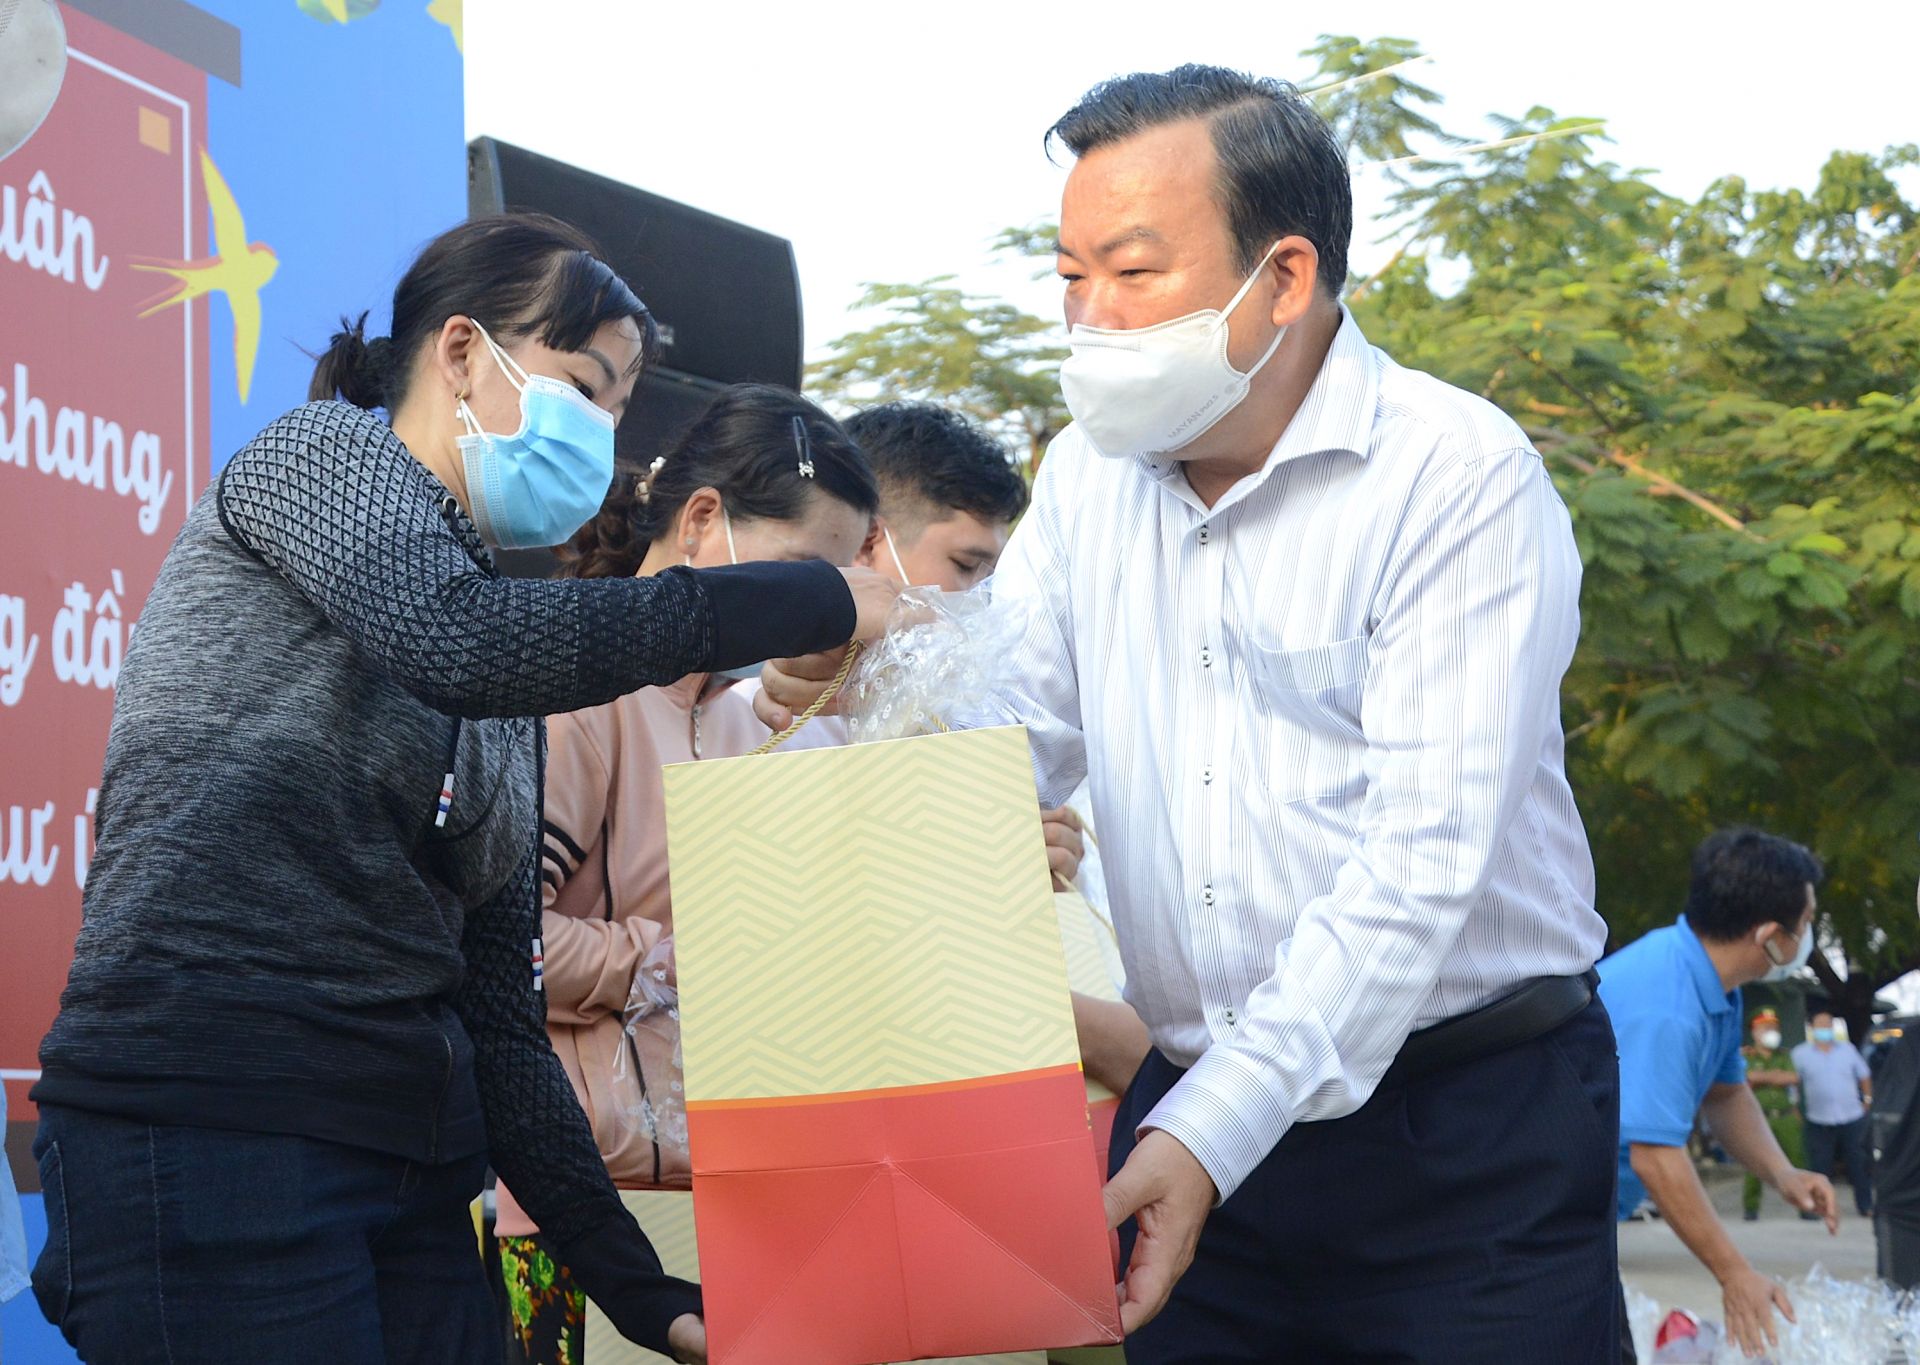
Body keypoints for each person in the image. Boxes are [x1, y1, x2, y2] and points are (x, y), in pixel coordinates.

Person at [762, 65, 1619, 1362]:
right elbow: (1012, 738)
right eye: (1069, 276)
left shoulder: (1455, 478)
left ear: (1284, 277)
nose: (1090, 316)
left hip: (1459, 1127)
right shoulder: (1089, 481)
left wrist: (1211, 1128)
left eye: (1133, 271)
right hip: (1185, 1110)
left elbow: (1424, 857)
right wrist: (847, 697)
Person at [28, 214, 896, 1365]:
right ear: (459, 352)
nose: (601, 434)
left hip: (413, 1177)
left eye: (618, 410)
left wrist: (646, 1295)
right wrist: (818, 598)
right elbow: (460, 640)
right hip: (213, 1133)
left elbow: (502, 1026)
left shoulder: (503, 677)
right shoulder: (320, 460)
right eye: (582, 387)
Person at [491, 383, 881, 1363]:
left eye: (839, 586)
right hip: (576, 1211)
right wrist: (675, 958)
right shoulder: (580, 692)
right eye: (806, 576)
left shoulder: (744, 714)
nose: (818, 612)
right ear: (702, 520)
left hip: (730, 1194)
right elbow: (495, 943)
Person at [1599, 829, 1841, 1358]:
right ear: (1770, 936)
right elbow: (1656, 1158)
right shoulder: (1669, 1006)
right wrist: (1734, 1274)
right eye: (1805, 924)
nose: (1806, 937)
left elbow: (1726, 1096)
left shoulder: (1713, 987)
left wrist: (1783, 1174)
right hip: (1525, 1219)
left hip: (1586, 1224)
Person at [1794, 1009, 1875, 1217]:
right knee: (1819, 1166)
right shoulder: (1800, 1054)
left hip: (1851, 1116)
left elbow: (1864, 1075)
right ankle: (1816, 1208)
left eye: (1828, 1025)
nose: (1825, 1029)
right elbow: (1793, 1083)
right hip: (1819, 1118)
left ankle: (1865, 1205)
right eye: (1820, 1025)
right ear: (1811, 1028)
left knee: (1859, 1163)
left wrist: (1867, 1100)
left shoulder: (1847, 1050)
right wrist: (1795, 1107)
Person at [1740, 1008, 1804, 1220]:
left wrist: (1762, 1077)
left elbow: (1792, 1078)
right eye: (1766, 1028)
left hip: (1785, 1116)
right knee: (1754, 1163)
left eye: (1774, 1028)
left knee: (1797, 1160)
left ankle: (1805, 1206)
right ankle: (1751, 1208)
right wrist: (1774, 1076)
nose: (1772, 1032)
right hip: (1758, 1117)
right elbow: (1746, 1078)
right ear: (1755, 1032)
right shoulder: (1746, 1056)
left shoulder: (1784, 1055)